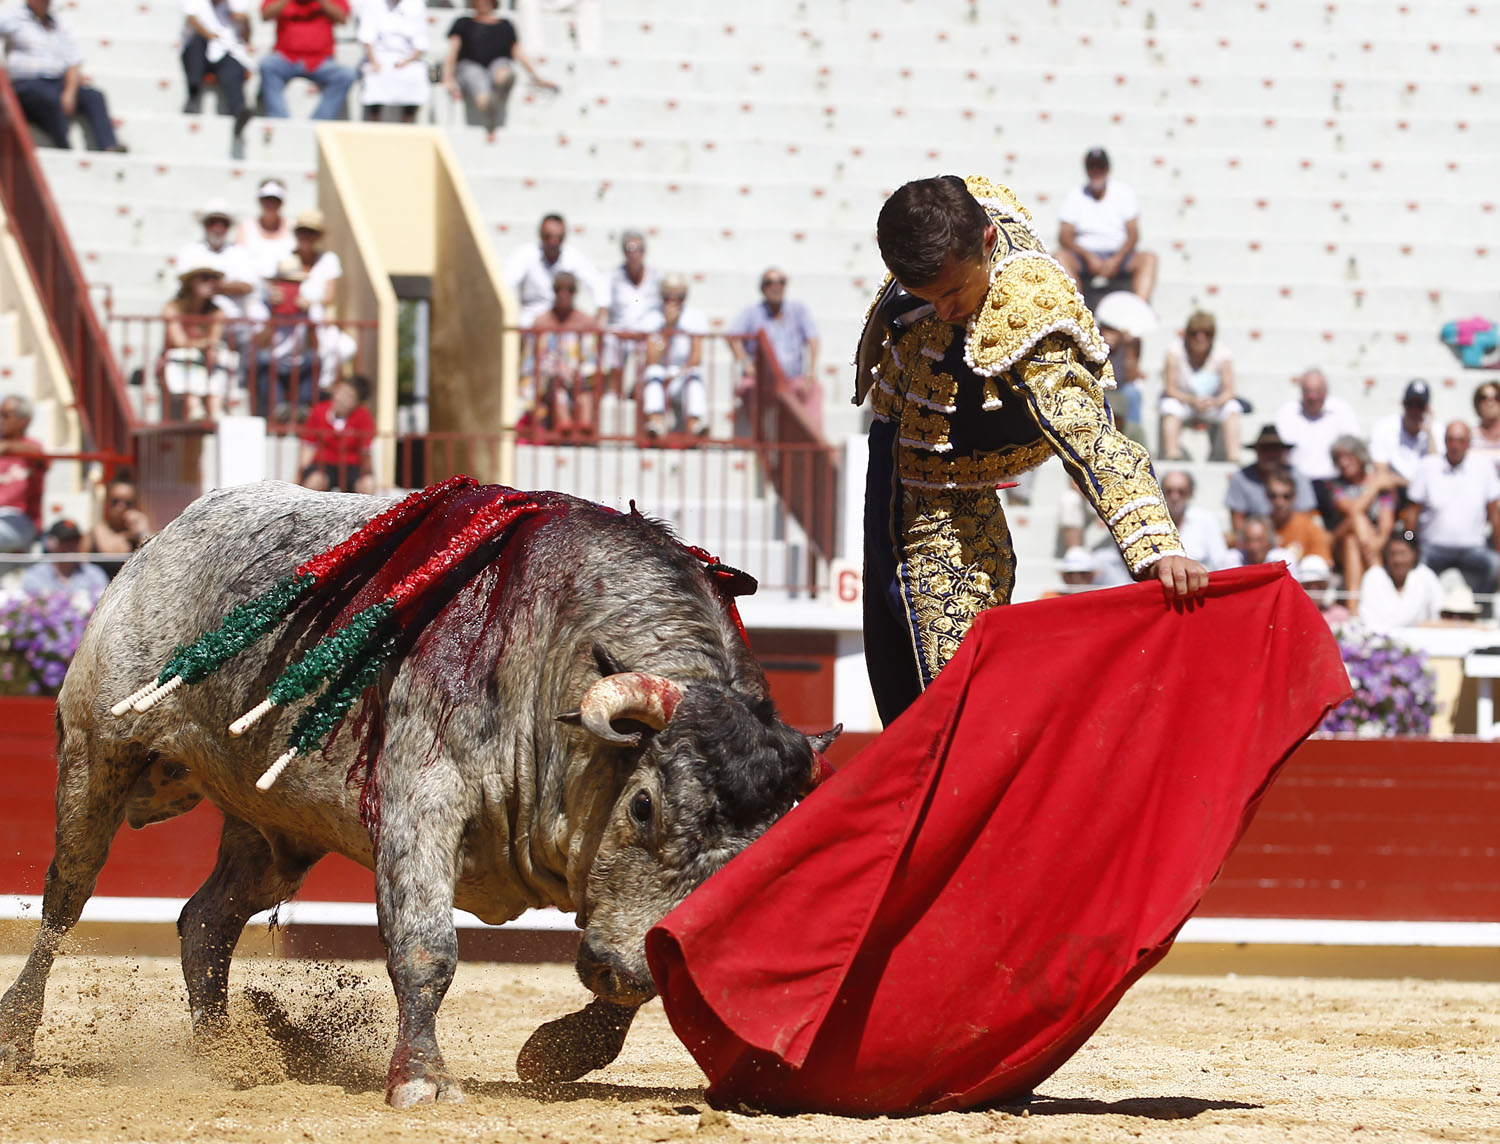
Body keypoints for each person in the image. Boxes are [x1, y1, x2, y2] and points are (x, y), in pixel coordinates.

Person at [855, 174, 1204, 723]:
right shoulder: (949, 218)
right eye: (927, 297)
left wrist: (1156, 544)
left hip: (944, 489)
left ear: (989, 243)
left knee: (953, 690)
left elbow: (1090, 435)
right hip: (905, 461)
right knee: (911, 672)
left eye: (952, 294)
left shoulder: (1031, 309)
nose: (944, 312)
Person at [0, 0, 125, 151]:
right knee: (51, 98)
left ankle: (109, 146)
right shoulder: (13, 18)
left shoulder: (59, 24)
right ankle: (63, 148)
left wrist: (70, 92)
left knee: (94, 97)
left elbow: (73, 61)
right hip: (26, 84)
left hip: (57, 82)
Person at [1404, 420, 1500, 602]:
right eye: (1451, 440)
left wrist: (1499, 549)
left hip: (1473, 548)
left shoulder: (1484, 468)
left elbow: (1495, 516)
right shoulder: (1428, 466)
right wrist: (1410, 543)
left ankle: (1481, 610)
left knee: (1496, 564)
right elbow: (1412, 514)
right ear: (1445, 441)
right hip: (1431, 547)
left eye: (1461, 440)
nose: (1456, 445)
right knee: (1413, 568)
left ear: (1469, 443)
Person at [441, 0, 557, 142]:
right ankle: (489, 104)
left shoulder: (505, 25)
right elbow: (453, 51)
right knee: (475, 78)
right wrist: (448, 78)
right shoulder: (463, 23)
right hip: (470, 66)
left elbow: (518, 52)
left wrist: (537, 77)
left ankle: (498, 91)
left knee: (502, 68)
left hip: (497, 66)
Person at [1054, 148, 1156, 302]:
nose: (1096, 171)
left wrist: (1117, 259)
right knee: (1059, 257)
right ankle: (1075, 308)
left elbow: (1133, 234)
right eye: (1092, 167)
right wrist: (1088, 257)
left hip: (1119, 255)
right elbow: (1064, 236)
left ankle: (1139, 311)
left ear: (1108, 169)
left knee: (1149, 258)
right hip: (1083, 257)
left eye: (1100, 167)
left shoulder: (1124, 193)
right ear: (1086, 170)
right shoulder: (1074, 195)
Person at [727, 267, 821, 430]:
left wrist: (811, 371)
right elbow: (732, 336)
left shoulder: (798, 310)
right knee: (747, 388)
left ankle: (811, 444)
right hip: (761, 381)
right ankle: (762, 441)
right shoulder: (751, 313)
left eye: (781, 282)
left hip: (792, 379)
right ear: (762, 288)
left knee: (814, 388)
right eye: (770, 283)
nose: (776, 287)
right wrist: (746, 363)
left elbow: (813, 338)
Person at [1274, 367, 1361, 525]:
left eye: (1318, 391)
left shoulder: (1342, 410)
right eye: (1308, 391)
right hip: (1297, 482)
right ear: (1301, 391)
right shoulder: (1287, 412)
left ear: (1326, 391)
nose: (1313, 396)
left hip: (1334, 482)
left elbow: (1354, 448)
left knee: (1350, 515)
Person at [1158, 309, 1243, 462]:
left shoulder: (1223, 353)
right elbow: (1170, 389)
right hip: (1185, 402)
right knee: (1169, 406)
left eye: (1206, 333)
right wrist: (1191, 400)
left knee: (1232, 407)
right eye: (1195, 333)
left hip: (1212, 404)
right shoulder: (1174, 352)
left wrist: (1214, 402)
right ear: (1187, 334)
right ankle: (1172, 454)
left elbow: (1230, 391)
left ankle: (1233, 456)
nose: (1200, 338)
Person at [527, 271, 600, 439]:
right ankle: (564, 424)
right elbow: (532, 359)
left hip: (577, 378)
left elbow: (591, 358)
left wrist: (574, 372)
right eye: (560, 289)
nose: (564, 294)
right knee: (557, 385)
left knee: (584, 390)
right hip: (549, 380)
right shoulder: (541, 322)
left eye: (569, 290)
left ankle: (584, 428)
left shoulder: (585, 321)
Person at [159, 264, 235, 421]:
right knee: (187, 355)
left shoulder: (217, 312)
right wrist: (204, 344)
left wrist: (208, 348)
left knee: (221, 355)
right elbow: (179, 342)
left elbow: (213, 341)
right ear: (191, 282)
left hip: (203, 360)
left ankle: (214, 408)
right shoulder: (173, 307)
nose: (211, 283)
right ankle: (195, 407)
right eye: (205, 279)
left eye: (214, 279)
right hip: (174, 362)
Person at [504, 213, 608, 327]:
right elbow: (505, 283)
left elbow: (597, 283)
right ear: (540, 234)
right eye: (548, 236)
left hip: (565, 322)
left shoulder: (573, 256)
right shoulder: (525, 254)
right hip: (532, 324)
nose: (553, 242)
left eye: (559, 237)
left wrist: (601, 318)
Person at [258, 0, 356, 121]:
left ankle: (318, 122)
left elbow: (342, 18)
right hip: (286, 58)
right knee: (267, 65)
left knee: (346, 75)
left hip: (320, 61)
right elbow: (265, 15)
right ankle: (279, 120)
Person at [248, 257, 320, 418]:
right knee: (262, 361)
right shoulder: (261, 307)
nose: (290, 288)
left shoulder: (309, 308)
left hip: (298, 364)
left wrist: (308, 318)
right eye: (285, 282)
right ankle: (278, 410)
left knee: (314, 360)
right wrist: (274, 315)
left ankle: (303, 410)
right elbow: (260, 344)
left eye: (295, 283)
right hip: (273, 364)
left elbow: (315, 346)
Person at [174, 199, 258, 334]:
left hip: (235, 327)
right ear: (205, 225)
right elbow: (182, 288)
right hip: (199, 327)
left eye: (223, 223)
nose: (218, 228)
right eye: (213, 222)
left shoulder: (240, 253)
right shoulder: (189, 252)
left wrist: (217, 287)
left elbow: (248, 286)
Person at [639, 272, 708, 439]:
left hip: (682, 374)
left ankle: (695, 423)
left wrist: (679, 373)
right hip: (660, 375)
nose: (673, 302)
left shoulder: (695, 317)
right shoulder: (652, 318)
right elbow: (652, 358)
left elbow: (696, 357)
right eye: (668, 297)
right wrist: (668, 329)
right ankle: (655, 422)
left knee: (694, 374)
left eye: (679, 297)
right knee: (653, 372)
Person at [1327, 434, 1395, 594]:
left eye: (1348, 456)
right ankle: (1377, 573)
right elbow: (1352, 511)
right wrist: (1373, 487)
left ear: (1360, 455)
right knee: (1358, 519)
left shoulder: (1381, 485)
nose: (1343, 462)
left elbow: (1386, 523)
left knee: (1352, 543)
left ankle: (1353, 606)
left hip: (1368, 542)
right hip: (1339, 539)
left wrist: (1377, 544)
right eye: (1338, 458)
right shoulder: (1335, 486)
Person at [1225, 423, 1317, 539]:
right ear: (1257, 451)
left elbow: (1306, 517)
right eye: (1265, 449)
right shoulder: (1241, 477)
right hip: (1254, 542)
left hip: (1293, 540)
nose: (1270, 454)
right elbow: (1237, 521)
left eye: (1275, 449)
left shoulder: (1298, 477)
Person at [600, 230, 661, 397]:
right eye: (630, 248)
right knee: (610, 342)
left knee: (657, 342)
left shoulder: (657, 276)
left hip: (645, 335)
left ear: (645, 251)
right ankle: (613, 390)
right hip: (620, 333)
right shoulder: (612, 276)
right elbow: (603, 309)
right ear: (623, 251)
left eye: (638, 248)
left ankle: (643, 390)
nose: (634, 253)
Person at [180, 0, 254, 135]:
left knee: (232, 69)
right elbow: (190, 19)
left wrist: (246, 21)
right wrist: (208, 35)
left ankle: (239, 110)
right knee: (196, 44)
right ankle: (194, 96)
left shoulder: (239, 5)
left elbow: (247, 39)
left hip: (226, 52)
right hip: (201, 50)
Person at [299, 373, 374, 492]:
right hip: (323, 465)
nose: (340, 398)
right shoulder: (318, 411)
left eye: (349, 396)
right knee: (315, 481)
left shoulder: (363, 416)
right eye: (340, 392)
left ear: (357, 403)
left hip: (352, 467)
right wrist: (297, 477)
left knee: (367, 485)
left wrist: (369, 476)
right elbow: (308, 447)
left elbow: (366, 451)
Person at [1358, 529, 1444, 632]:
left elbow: (1439, 612)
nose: (1398, 560)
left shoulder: (1425, 575)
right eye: (1393, 554)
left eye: (1402, 553)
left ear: (1414, 555)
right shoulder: (1373, 576)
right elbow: (1366, 617)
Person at [358, 0, 428, 124]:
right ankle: (374, 120)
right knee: (375, 76)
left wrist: (407, 61)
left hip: (407, 59)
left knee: (417, 74)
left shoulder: (416, 5)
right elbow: (367, 36)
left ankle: (407, 122)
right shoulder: (371, 4)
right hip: (378, 57)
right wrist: (374, 61)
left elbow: (420, 42)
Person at [1368, 377, 1434, 496]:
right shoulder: (1383, 427)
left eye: (1420, 405)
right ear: (1403, 403)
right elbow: (1381, 473)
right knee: (1383, 490)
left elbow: (1437, 472)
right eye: (1410, 404)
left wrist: (1429, 433)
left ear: (1427, 408)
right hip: (1396, 492)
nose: (1414, 410)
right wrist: (1412, 484)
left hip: (1426, 494)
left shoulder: (1437, 430)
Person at [0, 394, 46, 553]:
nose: (1, 419)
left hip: (23, 520)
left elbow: (39, 455)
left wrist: (7, 447)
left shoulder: (32, 448)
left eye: (5, 415)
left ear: (23, 420)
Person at [20, 518, 107, 601]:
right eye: (65, 540)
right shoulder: (35, 574)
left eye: (75, 540)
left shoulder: (94, 573)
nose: (71, 545)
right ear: (50, 543)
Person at [1160, 471, 1231, 570]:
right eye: (1169, 491)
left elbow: (1220, 562)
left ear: (1190, 493)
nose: (1175, 497)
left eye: (1181, 491)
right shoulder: (1151, 523)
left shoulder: (1206, 520)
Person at [1266, 468, 1333, 566]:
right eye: (1273, 496)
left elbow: (1323, 563)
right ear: (1266, 496)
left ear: (1294, 497)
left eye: (1286, 496)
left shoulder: (1308, 526)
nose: (1279, 502)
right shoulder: (1260, 528)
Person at [234, 177, 296, 282]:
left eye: (275, 200)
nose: (271, 203)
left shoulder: (293, 226)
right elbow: (239, 261)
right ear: (259, 200)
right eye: (266, 199)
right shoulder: (245, 227)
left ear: (282, 202)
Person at [86, 472, 152, 572]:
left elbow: (153, 561)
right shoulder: (92, 536)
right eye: (115, 501)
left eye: (127, 503)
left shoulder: (139, 534)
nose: (120, 507)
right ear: (107, 502)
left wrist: (143, 533)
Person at [1469, 378, 1500, 476]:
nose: (1490, 403)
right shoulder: (1469, 436)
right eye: (1484, 398)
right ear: (1477, 403)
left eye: (1497, 398)